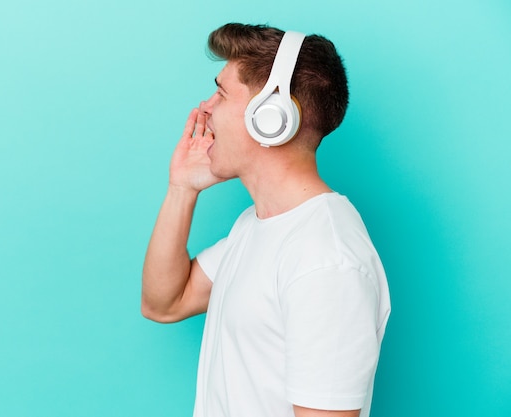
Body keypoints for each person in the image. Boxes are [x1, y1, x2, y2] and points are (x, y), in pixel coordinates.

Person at [141, 23, 391, 417]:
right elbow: (164, 303)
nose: (205, 107)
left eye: (221, 93)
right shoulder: (257, 225)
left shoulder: (326, 260)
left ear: (271, 116)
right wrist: (182, 189)